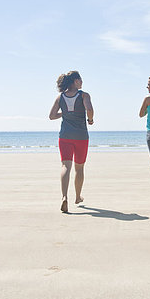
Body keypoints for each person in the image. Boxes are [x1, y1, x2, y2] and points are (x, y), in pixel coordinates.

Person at [49, 71, 94, 213]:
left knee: (65, 166)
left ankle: (64, 197)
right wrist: (90, 120)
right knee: (79, 168)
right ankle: (77, 196)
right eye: (80, 80)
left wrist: (66, 113)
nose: (82, 83)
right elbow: (90, 109)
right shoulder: (83, 95)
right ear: (75, 81)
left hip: (65, 136)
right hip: (81, 136)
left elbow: (52, 116)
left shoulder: (60, 97)